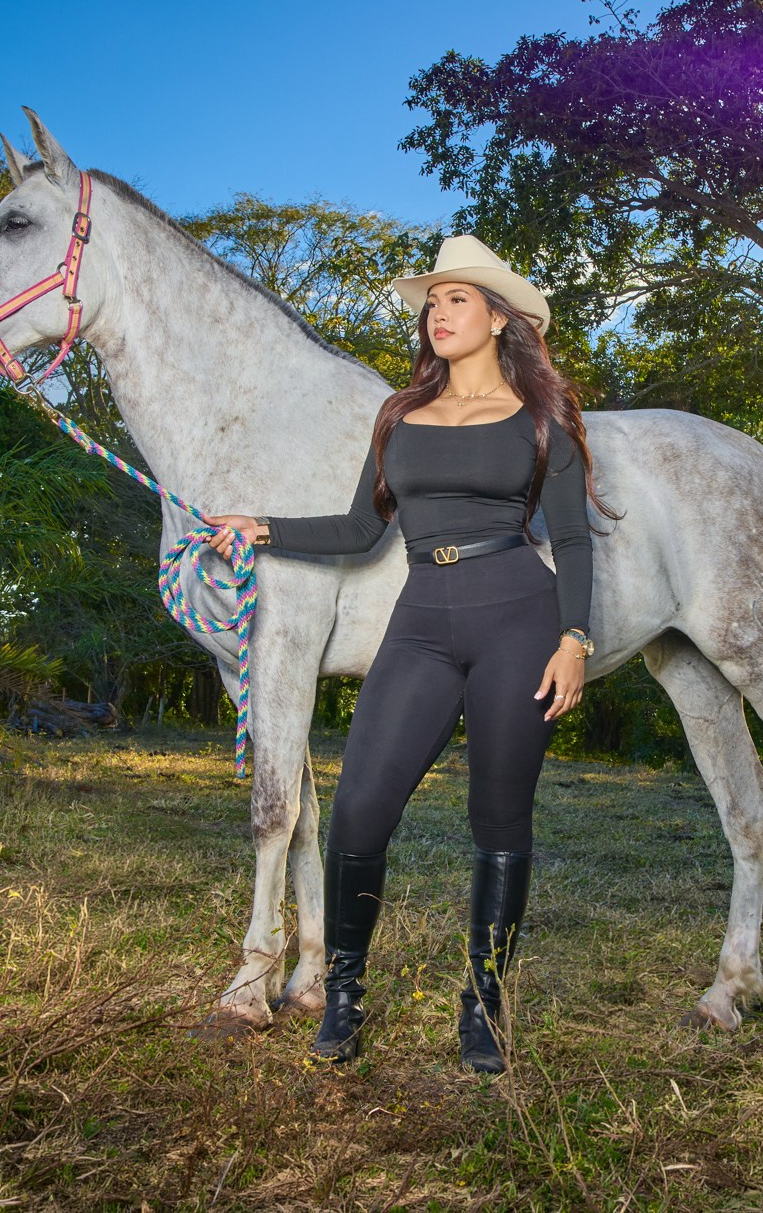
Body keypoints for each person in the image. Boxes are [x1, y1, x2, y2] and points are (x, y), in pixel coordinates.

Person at [209, 235, 618, 1073]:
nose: (439, 313)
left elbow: (574, 539)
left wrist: (575, 639)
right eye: (433, 301)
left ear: (499, 317)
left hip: (519, 618)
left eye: (457, 299)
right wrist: (265, 527)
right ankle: (345, 995)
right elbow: (363, 530)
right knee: (360, 811)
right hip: (422, 620)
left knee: (498, 823)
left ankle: (484, 1003)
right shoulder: (399, 414)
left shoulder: (544, 417)